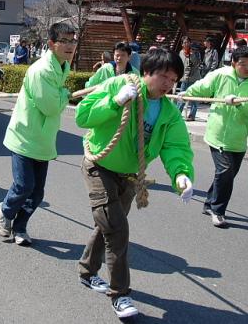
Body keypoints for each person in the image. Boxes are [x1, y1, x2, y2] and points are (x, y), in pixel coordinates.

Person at [75, 47, 195, 319]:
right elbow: (83, 116)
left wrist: (181, 174)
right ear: (146, 72)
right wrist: (114, 102)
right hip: (99, 167)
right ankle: (120, 294)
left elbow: (176, 147)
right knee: (116, 228)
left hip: (129, 176)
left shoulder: (168, 112)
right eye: (163, 76)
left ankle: (86, 270)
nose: (168, 84)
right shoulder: (120, 84)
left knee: (105, 225)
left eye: (173, 80)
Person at [0, 23, 76, 246]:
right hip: (25, 135)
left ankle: (20, 227)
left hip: (43, 138)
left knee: (37, 193)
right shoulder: (41, 70)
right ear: (51, 43)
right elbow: (51, 107)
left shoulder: (62, 65)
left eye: (72, 40)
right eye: (65, 41)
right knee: (24, 186)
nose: (70, 46)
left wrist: (61, 94)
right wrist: (64, 93)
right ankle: (5, 211)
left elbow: (54, 101)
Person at [186, 45, 248, 228]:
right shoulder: (222, 74)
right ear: (233, 63)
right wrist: (187, 94)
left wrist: (240, 105)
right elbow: (203, 86)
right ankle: (218, 211)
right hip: (218, 133)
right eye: (243, 64)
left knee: (227, 174)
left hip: (239, 137)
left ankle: (209, 202)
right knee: (225, 172)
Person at [176, 37, 202, 121]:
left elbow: (197, 63)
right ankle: (177, 113)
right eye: (184, 42)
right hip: (184, 77)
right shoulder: (181, 52)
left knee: (194, 97)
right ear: (182, 44)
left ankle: (192, 115)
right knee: (182, 96)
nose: (186, 44)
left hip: (194, 78)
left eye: (187, 42)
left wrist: (192, 54)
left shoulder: (195, 52)